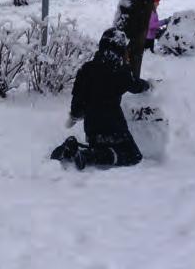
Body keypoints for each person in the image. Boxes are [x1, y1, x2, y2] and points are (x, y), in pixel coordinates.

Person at [51, 28, 150, 170]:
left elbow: (77, 106)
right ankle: (86, 156)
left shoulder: (86, 70)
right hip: (114, 127)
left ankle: (72, 147)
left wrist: (74, 116)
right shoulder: (120, 71)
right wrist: (149, 85)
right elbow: (136, 86)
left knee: (101, 150)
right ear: (120, 49)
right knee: (133, 155)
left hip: (92, 130)